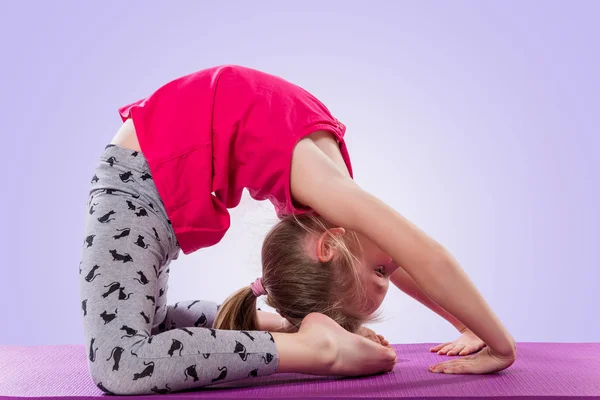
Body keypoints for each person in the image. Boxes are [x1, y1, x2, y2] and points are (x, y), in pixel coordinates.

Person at [79, 65, 516, 396]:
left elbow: (400, 257)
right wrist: (499, 345)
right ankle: (316, 349)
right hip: (137, 187)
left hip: (141, 186)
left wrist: (466, 326)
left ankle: (296, 331)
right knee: (122, 361)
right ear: (329, 245)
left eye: (383, 271)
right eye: (383, 272)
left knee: (151, 331)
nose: (392, 263)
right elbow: (425, 256)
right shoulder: (327, 188)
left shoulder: (326, 199)